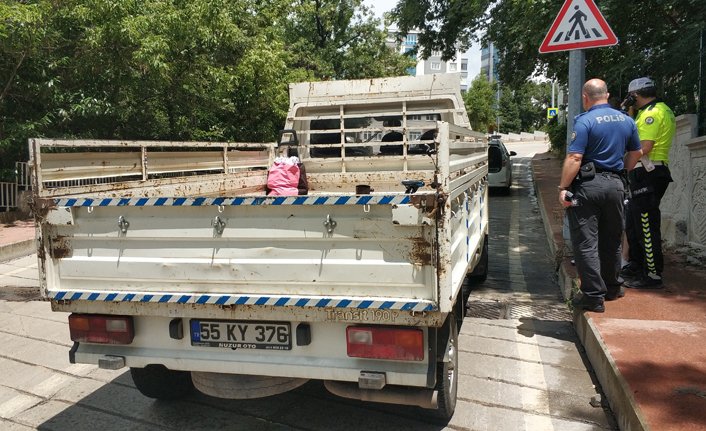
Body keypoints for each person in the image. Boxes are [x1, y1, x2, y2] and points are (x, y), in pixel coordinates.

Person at [559, 79, 642, 312]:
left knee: (586, 243)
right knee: (612, 239)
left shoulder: (584, 121)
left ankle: (593, 296)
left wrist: (563, 188)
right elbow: (636, 151)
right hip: (616, 186)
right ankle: (613, 288)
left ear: (585, 98)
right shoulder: (627, 120)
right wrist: (621, 171)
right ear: (606, 95)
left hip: (588, 187)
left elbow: (575, 158)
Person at [621, 77, 676, 289]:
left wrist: (622, 167)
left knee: (645, 224)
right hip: (649, 171)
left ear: (635, 95)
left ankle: (652, 274)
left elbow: (643, 147)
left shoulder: (651, 114)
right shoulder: (658, 109)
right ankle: (636, 264)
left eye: (630, 97)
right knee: (634, 223)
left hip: (647, 171)